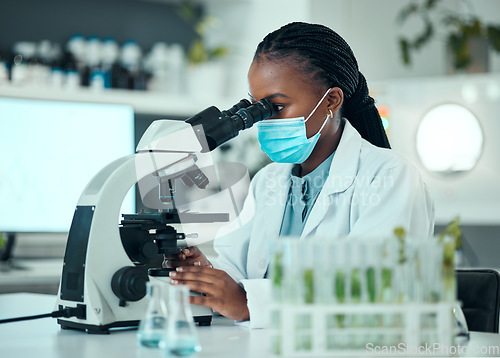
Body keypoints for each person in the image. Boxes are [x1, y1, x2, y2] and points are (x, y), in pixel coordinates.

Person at [164, 22, 434, 328]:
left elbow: (370, 290)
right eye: (256, 107)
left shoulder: (390, 178)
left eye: (276, 106)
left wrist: (250, 303)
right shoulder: (269, 180)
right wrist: (208, 274)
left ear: (331, 101)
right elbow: (239, 270)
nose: (263, 120)